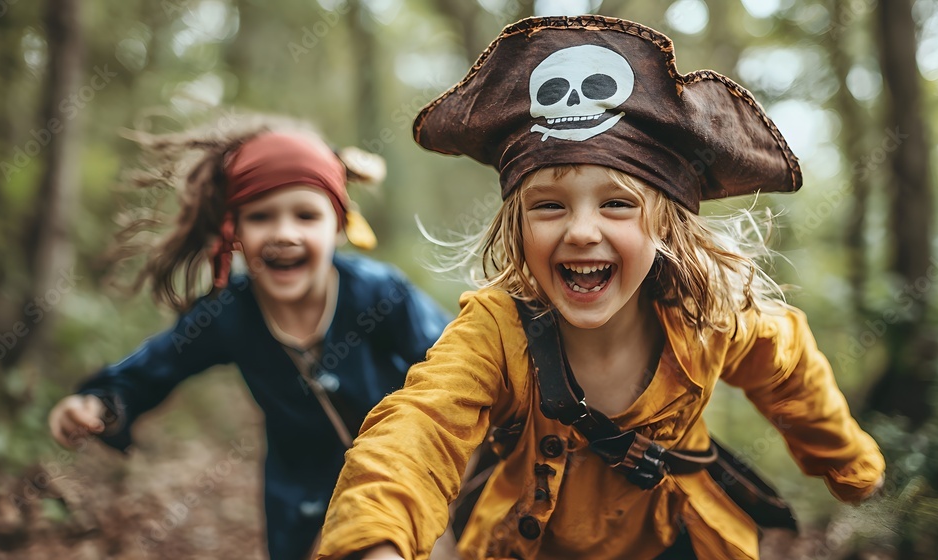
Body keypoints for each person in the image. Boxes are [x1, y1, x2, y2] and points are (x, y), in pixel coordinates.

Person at [316, 15, 886, 560]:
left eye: (617, 204)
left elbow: (785, 361)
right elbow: (421, 426)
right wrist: (374, 536)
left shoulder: (708, 315)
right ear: (516, 224)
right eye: (548, 206)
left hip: (678, 541)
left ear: (666, 224)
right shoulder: (496, 331)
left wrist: (844, 457)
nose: (582, 231)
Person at [47, 115, 451, 559]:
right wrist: (99, 404)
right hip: (297, 492)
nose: (283, 233)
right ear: (233, 232)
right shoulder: (228, 314)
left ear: (338, 224)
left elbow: (455, 363)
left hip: (393, 470)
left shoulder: (379, 294)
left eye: (306, 215)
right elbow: (150, 370)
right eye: (260, 216)